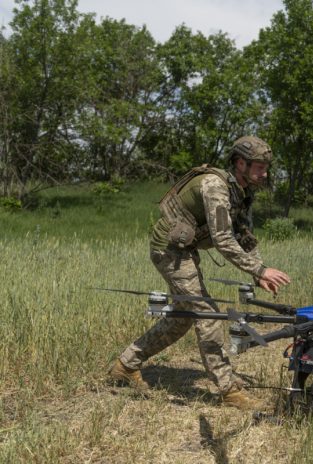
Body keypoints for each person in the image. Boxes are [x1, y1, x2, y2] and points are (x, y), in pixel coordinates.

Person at [109, 135, 291, 410]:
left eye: (266, 167)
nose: (265, 173)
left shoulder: (242, 191)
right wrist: (260, 269)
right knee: (207, 313)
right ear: (241, 163)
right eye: (259, 166)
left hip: (184, 248)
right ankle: (228, 389)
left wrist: (257, 272)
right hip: (169, 250)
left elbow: (244, 236)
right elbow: (222, 240)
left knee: (183, 318)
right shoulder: (215, 186)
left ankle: (126, 364)